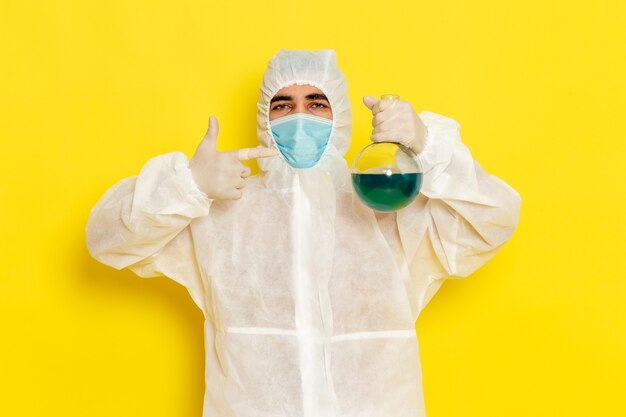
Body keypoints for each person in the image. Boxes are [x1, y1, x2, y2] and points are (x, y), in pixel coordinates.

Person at [86, 49, 521, 417]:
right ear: (264, 119)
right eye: (283, 105)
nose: (299, 117)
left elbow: (493, 219)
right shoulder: (222, 211)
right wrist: (188, 186)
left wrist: (429, 147)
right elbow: (108, 239)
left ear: (342, 115)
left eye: (316, 103)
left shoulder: (384, 205)